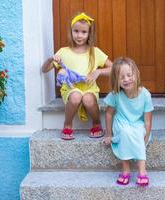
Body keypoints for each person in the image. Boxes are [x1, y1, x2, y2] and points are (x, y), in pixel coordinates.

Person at [42, 12, 112, 140]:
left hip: (89, 89)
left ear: (89, 34)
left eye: (84, 32)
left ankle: (96, 123)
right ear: (71, 31)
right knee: (76, 96)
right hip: (70, 88)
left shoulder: (94, 52)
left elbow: (113, 68)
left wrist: (98, 72)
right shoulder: (63, 52)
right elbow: (44, 70)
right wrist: (50, 59)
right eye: (76, 31)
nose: (79, 35)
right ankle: (67, 124)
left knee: (88, 99)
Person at [102, 57, 153, 186]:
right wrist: (109, 134)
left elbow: (147, 120)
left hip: (138, 124)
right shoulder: (116, 94)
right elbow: (108, 113)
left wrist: (145, 137)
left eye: (129, 75)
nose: (126, 79)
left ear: (136, 75)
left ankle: (142, 171)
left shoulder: (145, 94)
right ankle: (126, 169)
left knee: (136, 132)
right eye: (121, 77)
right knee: (124, 132)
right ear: (116, 80)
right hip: (122, 122)